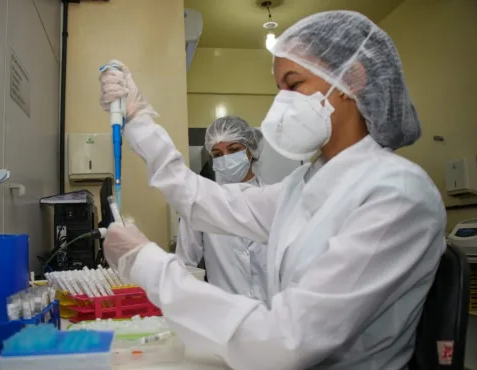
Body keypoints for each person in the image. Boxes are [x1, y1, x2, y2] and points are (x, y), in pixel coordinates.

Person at [98, 10, 446, 370]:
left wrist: (146, 263)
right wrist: (139, 121)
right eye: (279, 89)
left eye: (294, 85)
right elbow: (204, 199)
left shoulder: (396, 194)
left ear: (352, 79)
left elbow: (286, 341)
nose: (283, 103)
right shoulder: (307, 184)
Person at [176, 116, 268, 302]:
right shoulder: (201, 203)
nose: (226, 158)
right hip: (225, 313)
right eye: (217, 154)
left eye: (233, 150)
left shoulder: (272, 199)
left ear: (250, 150)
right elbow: (184, 265)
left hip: (272, 314)